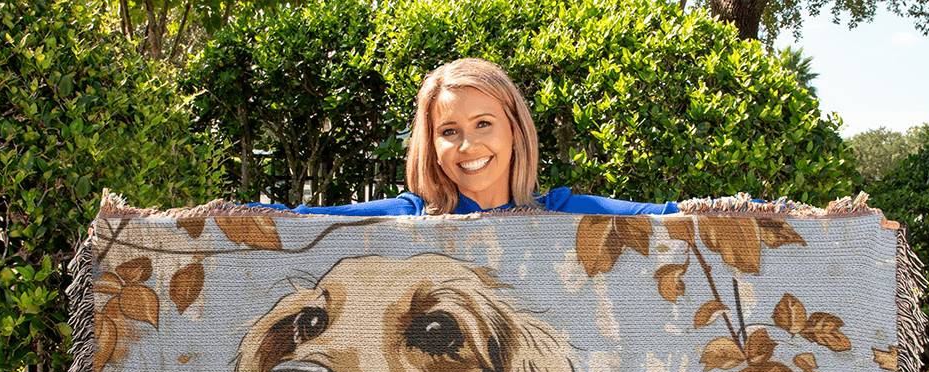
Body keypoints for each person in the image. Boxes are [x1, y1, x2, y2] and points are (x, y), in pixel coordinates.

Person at [244, 57, 690, 217]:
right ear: (432, 148)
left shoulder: (563, 214)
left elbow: (671, 218)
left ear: (515, 130)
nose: (468, 146)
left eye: (483, 124)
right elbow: (299, 220)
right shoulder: (406, 220)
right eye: (449, 131)